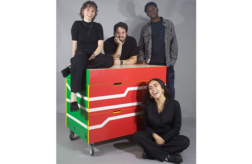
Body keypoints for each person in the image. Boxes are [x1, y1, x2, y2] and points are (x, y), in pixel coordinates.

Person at [70, 1, 114, 111]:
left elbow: (100, 45)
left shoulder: (98, 26)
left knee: (109, 59)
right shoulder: (77, 24)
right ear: (83, 10)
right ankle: (73, 98)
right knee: (79, 58)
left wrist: (93, 55)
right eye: (88, 9)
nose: (90, 12)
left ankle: (76, 66)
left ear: (95, 13)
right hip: (81, 54)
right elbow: (74, 46)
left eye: (93, 10)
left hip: (95, 54)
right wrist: (75, 59)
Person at [133, 78, 189, 163]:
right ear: (150, 93)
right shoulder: (148, 106)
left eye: (155, 86)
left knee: (185, 141)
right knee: (137, 135)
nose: (153, 89)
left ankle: (150, 153)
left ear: (162, 89)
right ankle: (167, 156)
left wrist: (164, 139)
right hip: (154, 137)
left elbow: (176, 127)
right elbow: (146, 126)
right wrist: (155, 136)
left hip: (169, 137)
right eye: (150, 88)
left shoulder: (174, 104)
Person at [137, 2, 178, 99]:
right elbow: (140, 46)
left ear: (157, 9)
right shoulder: (145, 28)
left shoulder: (168, 24)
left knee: (169, 89)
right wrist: (141, 59)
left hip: (166, 64)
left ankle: (170, 112)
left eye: (153, 9)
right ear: (147, 14)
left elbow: (174, 44)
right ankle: (154, 112)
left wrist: (172, 62)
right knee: (152, 91)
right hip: (151, 64)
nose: (152, 12)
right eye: (149, 11)